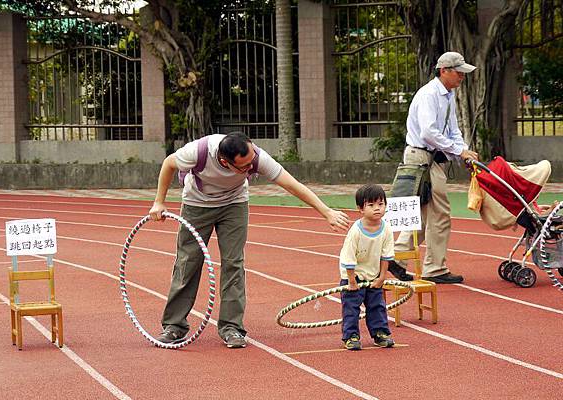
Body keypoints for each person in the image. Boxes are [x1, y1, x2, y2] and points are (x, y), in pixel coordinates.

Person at [149, 132, 349, 348]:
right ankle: (174, 326)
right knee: (187, 262)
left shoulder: (257, 157)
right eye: (243, 167)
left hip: (234, 205)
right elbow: (169, 164)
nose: (250, 167)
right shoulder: (198, 152)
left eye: (251, 161)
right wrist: (159, 202)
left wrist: (326, 211)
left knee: (233, 263)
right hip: (197, 205)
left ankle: (231, 327)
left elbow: (291, 184)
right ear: (225, 162)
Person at [387, 51, 479, 284]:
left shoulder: (448, 96)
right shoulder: (429, 94)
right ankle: (434, 268)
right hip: (422, 158)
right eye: (458, 73)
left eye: (463, 73)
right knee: (438, 214)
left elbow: (453, 131)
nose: (462, 77)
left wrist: (463, 152)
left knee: (419, 214)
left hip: (428, 158)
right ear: (444, 71)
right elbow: (429, 132)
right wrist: (458, 151)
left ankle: (396, 257)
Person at [339, 184, 395, 351]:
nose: (377, 208)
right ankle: (351, 336)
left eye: (381, 204)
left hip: (374, 275)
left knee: (377, 306)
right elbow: (348, 257)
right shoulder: (355, 231)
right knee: (351, 308)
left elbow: (386, 255)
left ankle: (380, 333)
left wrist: (382, 277)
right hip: (353, 275)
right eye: (371, 205)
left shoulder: (386, 229)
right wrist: (351, 280)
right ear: (360, 209)